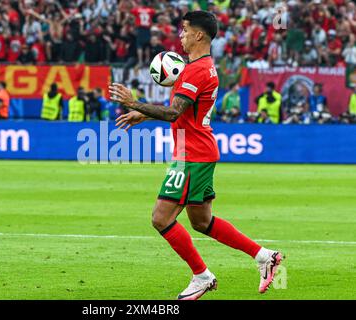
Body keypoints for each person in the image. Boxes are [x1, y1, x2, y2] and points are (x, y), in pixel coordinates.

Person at [109, 11, 282, 300]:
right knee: (202, 222)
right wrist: (144, 115)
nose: (181, 36)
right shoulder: (202, 66)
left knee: (160, 218)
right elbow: (182, 112)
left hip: (192, 154)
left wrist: (134, 102)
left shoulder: (196, 70)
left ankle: (202, 276)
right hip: (197, 150)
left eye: (184, 30)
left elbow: (175, 111)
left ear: (199, 35)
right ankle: (264, 256)